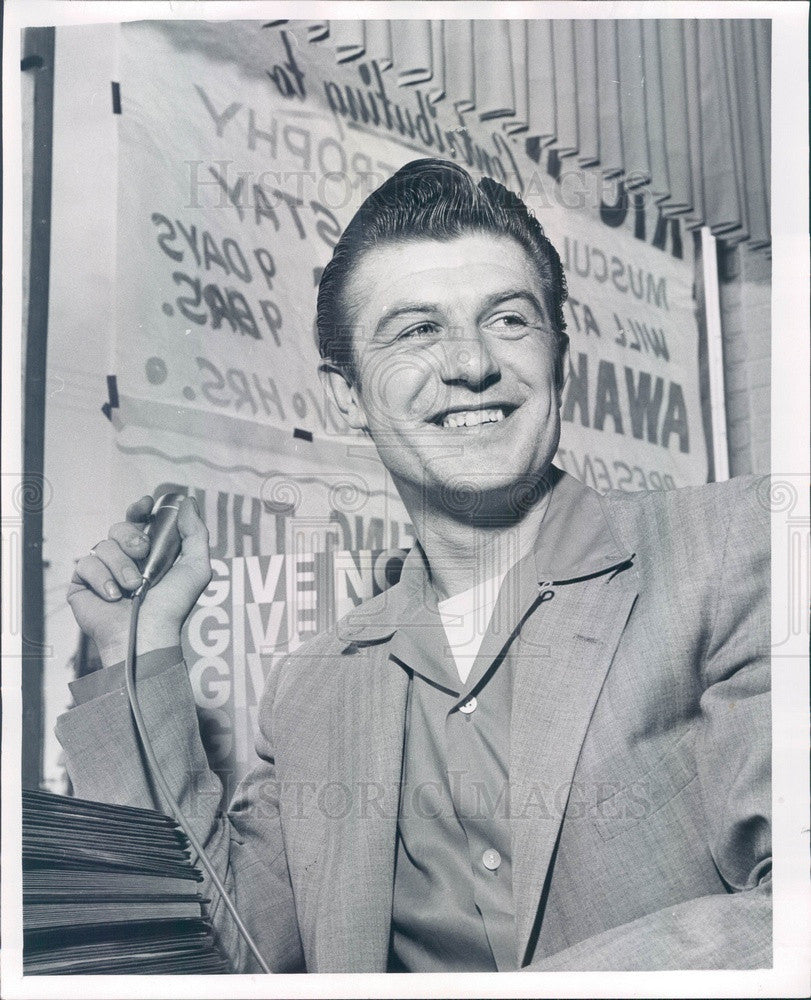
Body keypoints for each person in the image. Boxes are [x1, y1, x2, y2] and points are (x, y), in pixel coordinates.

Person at [59, 158, 771, 973]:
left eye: (508, 320)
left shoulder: (731, 548)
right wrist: (135, 649)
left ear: (558, 356)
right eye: (416, 330)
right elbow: (215, 955)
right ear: (348, 397)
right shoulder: (313, 689)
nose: (470, 362)